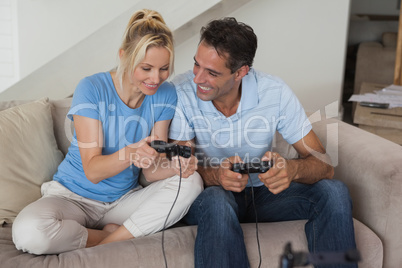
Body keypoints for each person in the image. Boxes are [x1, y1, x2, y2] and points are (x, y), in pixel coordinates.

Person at [169, 17, 357, 268]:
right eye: (196, 64)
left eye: (212, 72)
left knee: (334, 191)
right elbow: (180, 170)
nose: (197, 78)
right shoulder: (180, 93)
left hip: (264, 196)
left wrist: (292, 170)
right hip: (211, 194)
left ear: (241, 72)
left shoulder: (274, 92)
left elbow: (324, 165)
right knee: (216, 201)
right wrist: (216, 176)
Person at [12, 9, 203, 255]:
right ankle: (112, 236)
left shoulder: (165, 95)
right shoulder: (92, 88)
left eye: (164, 69)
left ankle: (111, 241)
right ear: (124, 56)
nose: (156, 78)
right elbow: (92, 171)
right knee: (29, 233)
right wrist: (131, 153)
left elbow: (151, 171)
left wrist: (176, 167)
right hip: (71, 197)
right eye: (146, 68)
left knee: (191, 182)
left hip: (123, 201)